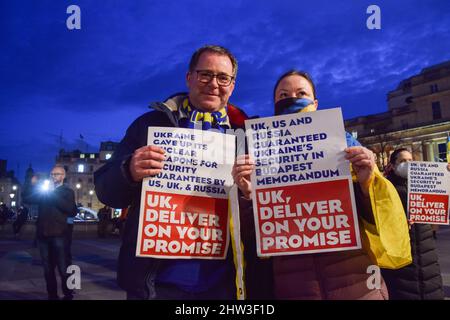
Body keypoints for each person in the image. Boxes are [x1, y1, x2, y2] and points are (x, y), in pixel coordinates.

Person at [232, 70, 412, 300]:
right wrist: (248, 195)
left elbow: (377, 220)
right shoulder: (261, 155)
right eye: (283, 95)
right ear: (275, 104)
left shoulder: (343, 146)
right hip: (295, 285)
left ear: (315, 103)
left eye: (301, 93)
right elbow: (254, 236)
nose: (292, 99)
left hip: (357, 283)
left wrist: (367, 181)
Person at [94, 45, 251, 300]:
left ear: (232, 85)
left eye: (223, 78)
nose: (214, 84)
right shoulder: (149, 124)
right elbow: (105, 189)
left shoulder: (246, 135)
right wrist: (129, 170)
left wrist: (249, 194)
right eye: (205, 75)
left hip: (225, 286)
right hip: (156, 284)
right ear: (189, 77)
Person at [381, 148, 444, 299]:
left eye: (410, 160)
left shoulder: (427, 185)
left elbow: (437, 219)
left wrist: (445, 176)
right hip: (401, 266)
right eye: (402, 161)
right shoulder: (386, 189)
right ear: (392, 165)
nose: (407, 164)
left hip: (427, 258)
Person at [22, 165, 77, 300]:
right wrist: (31, 183)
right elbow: (27, 198)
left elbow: (70, 208)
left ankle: (68, 294)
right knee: (48, 269)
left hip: (59, 234)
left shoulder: (67, 192)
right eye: (52, 174)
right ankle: (52, 295)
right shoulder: (44, 193)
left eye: (56, 174)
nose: (53, 177)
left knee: (63, 268)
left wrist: (52, 194)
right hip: (43, 235)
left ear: (63, 176)